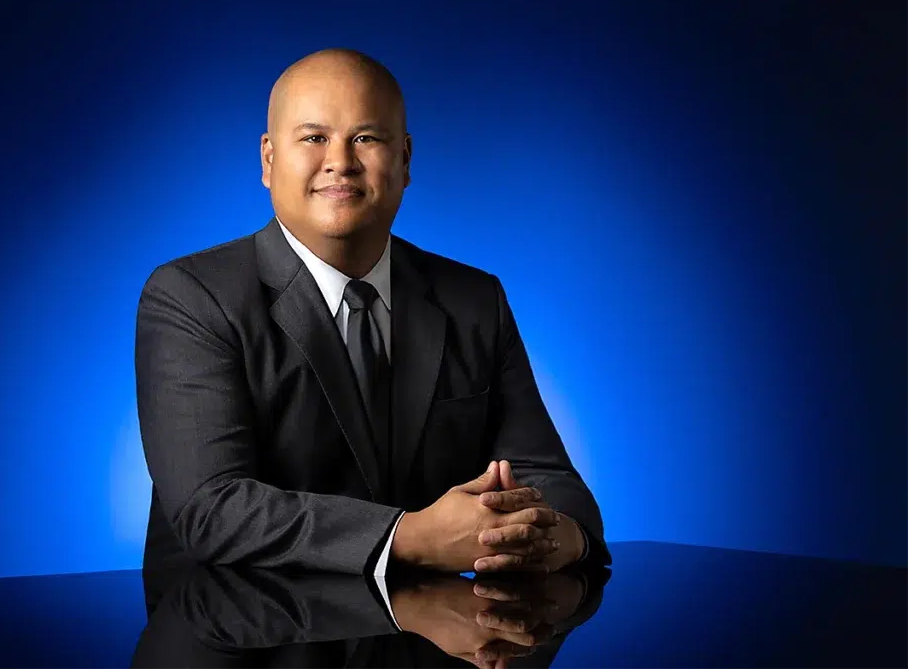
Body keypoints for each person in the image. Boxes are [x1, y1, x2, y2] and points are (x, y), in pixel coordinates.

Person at [134, 48, 609, 605]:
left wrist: (551, 538)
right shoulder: (191, 296)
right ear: (268, 160)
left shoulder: (474, 299)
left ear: (405, 160)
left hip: (432, 634)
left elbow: (548, 477)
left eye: (366, 138)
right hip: (240, 634)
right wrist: (410, 536)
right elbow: (211, 508)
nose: (341, 161)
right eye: (314, 138)